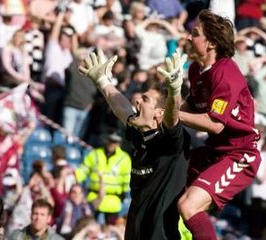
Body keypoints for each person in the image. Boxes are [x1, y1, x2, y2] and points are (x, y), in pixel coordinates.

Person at [78, 48, 190, 239]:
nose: (138, 101)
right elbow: (122, 108)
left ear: (158, 113)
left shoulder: (172, 142)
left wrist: (174, 92)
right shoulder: (140, 135)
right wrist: (103, 81)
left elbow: (172, 120)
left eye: (145, 100)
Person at [177, 10, 261, 240]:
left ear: (212, 42)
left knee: (188, 206)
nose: (188, 38)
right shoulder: (196, 70)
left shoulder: (225, 73)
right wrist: (173, 88)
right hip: (215, 152)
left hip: (239, 155)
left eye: (194, 33)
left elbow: (214, 125)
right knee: (170, 188)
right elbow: (187, 109)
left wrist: (172, 114)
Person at [75, 132, 131, 225]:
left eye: (115, 142)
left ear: (119, 143)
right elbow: (84, 169)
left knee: (110, 230)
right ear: (106, 140)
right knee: (90, 227)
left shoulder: (124, 158)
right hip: (94, 198)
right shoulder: (95, 154)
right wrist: (76, 177)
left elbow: (127, 178)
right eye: (110, 141)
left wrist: (125, 194)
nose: (112, 144)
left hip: (113, 200)